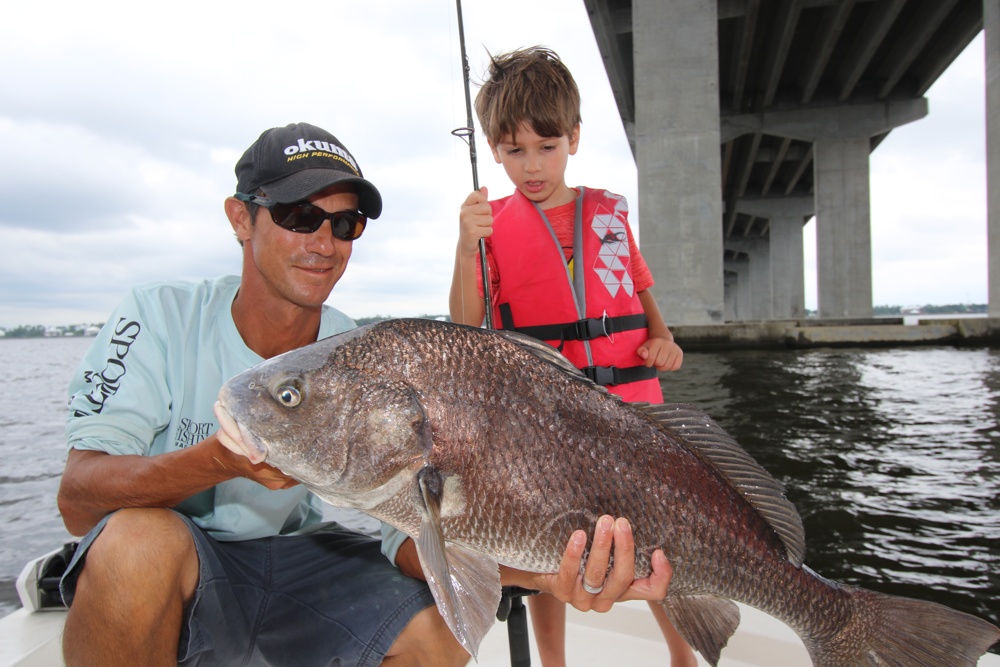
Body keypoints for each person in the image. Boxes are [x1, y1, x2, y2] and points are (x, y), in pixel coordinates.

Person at [55, 121, 674, 667]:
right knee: (134, 546)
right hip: (184, 561)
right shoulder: (157, 317)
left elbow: (406, 536)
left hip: (300, 559)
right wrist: (216, 460)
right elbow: (79, 500)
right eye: (300, 217)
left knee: (449, 624)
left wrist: (547, 574)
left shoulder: (354, 352)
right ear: (241, 218)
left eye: (344, 222)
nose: (324, 243)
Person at [448, 48, 697, 667]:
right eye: (513, 151)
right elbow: (465, 323)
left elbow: (638, 291)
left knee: (661, 537)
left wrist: (663, 339)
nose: (531, 166)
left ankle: (683, 656)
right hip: (545, 419)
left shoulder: (609, 214)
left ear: (575, 139)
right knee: (550, 545)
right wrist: (463, 246)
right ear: (493, 148)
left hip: (632, 409)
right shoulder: (490, 225)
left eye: (546, 146)